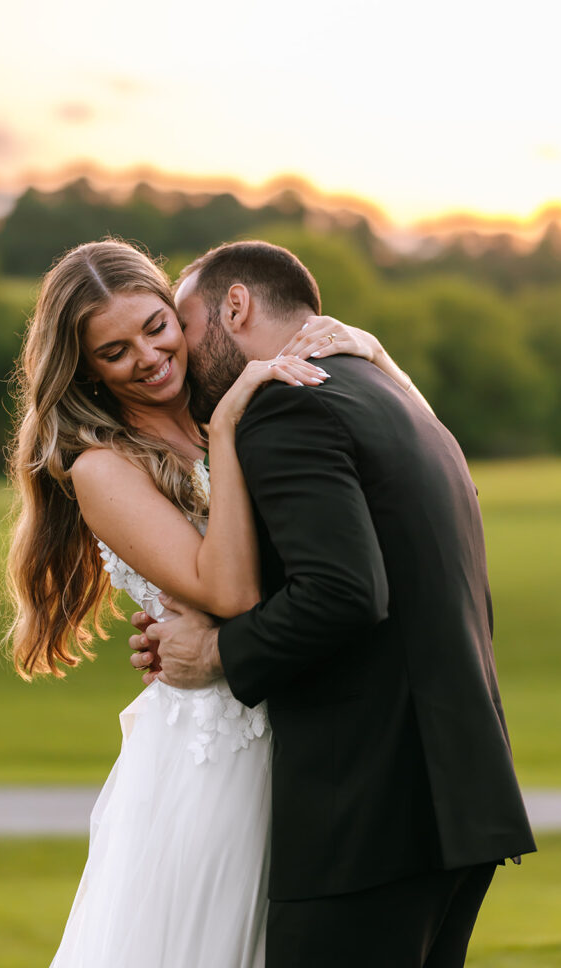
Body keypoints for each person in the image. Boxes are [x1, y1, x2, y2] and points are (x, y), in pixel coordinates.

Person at [3, 238, 424, 967]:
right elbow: (230, 590)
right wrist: (227, 427)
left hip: (303, 725)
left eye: (155, 327)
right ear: (85, 370)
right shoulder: (104, 467)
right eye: (113, 351)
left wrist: (379, 359)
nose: (146, 356)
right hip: (213, 753)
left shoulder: (225, 398)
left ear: (179, 314)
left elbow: (424, 482)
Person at [129, 240, 537, 968]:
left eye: (184, 325)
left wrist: (213, 652)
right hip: (456, 800)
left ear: (235, 306)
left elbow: (344, 592)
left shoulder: (285, 407)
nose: (181, 354)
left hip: (367, 818)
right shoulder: (393, 399)